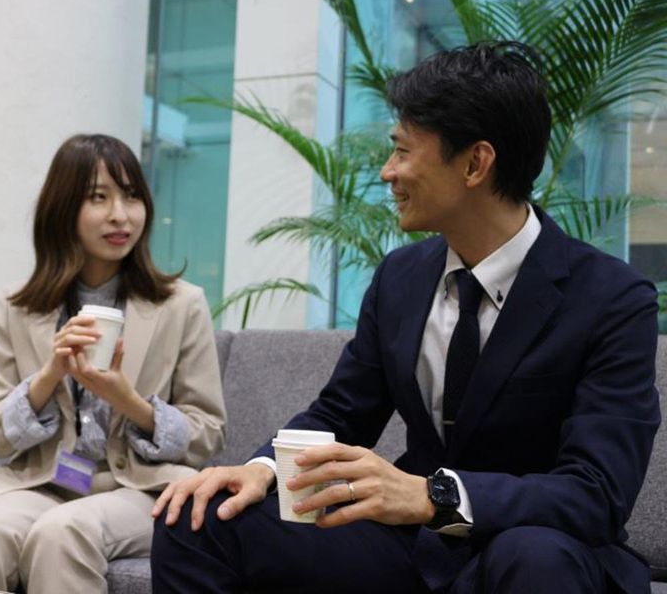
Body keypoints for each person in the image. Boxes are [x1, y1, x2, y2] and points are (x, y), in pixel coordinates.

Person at [149, 42, 660, 593]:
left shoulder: (612, 299)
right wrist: (261, 469)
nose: (387, 172)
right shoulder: (401, 277)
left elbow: (595, 493)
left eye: (402, 151)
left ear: (475, 163)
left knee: (532, 556)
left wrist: (432, 495)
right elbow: (341, 413)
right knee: (196, 518)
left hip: (536, 550)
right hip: (414, 547)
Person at [0, 134, 226, 593]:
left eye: (131, 196)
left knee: (62, 532)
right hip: (46, 480)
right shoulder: (16, 307)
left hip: (141, 488)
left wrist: (129, 402)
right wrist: (49, 375)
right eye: (98, 197)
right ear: (63, 209)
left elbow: (207, 433)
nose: (120, 215)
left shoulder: (181, 305)